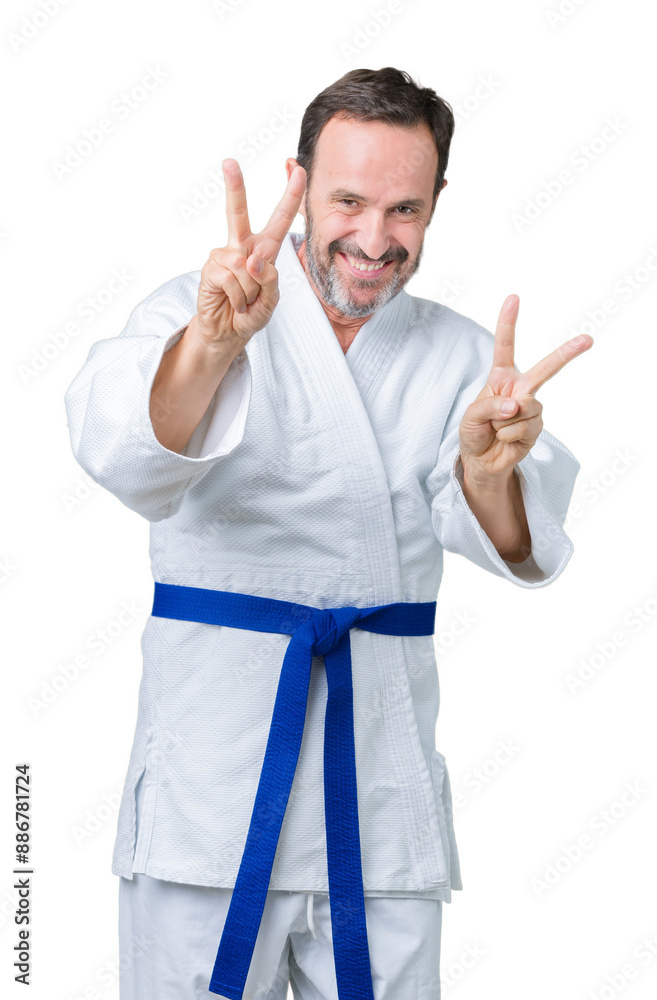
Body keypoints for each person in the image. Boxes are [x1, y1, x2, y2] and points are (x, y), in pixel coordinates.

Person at [63, 66, 592, 1000]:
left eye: (405, 211)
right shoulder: (197, 312)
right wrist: (214, 346)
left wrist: (486, 468)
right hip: (210, 788)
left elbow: (517, 547)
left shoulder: (464, 359)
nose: (375, 240)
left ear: (434, 205)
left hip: (377, 795)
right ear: (297, 186)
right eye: (348, 201)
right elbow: (124, 457)